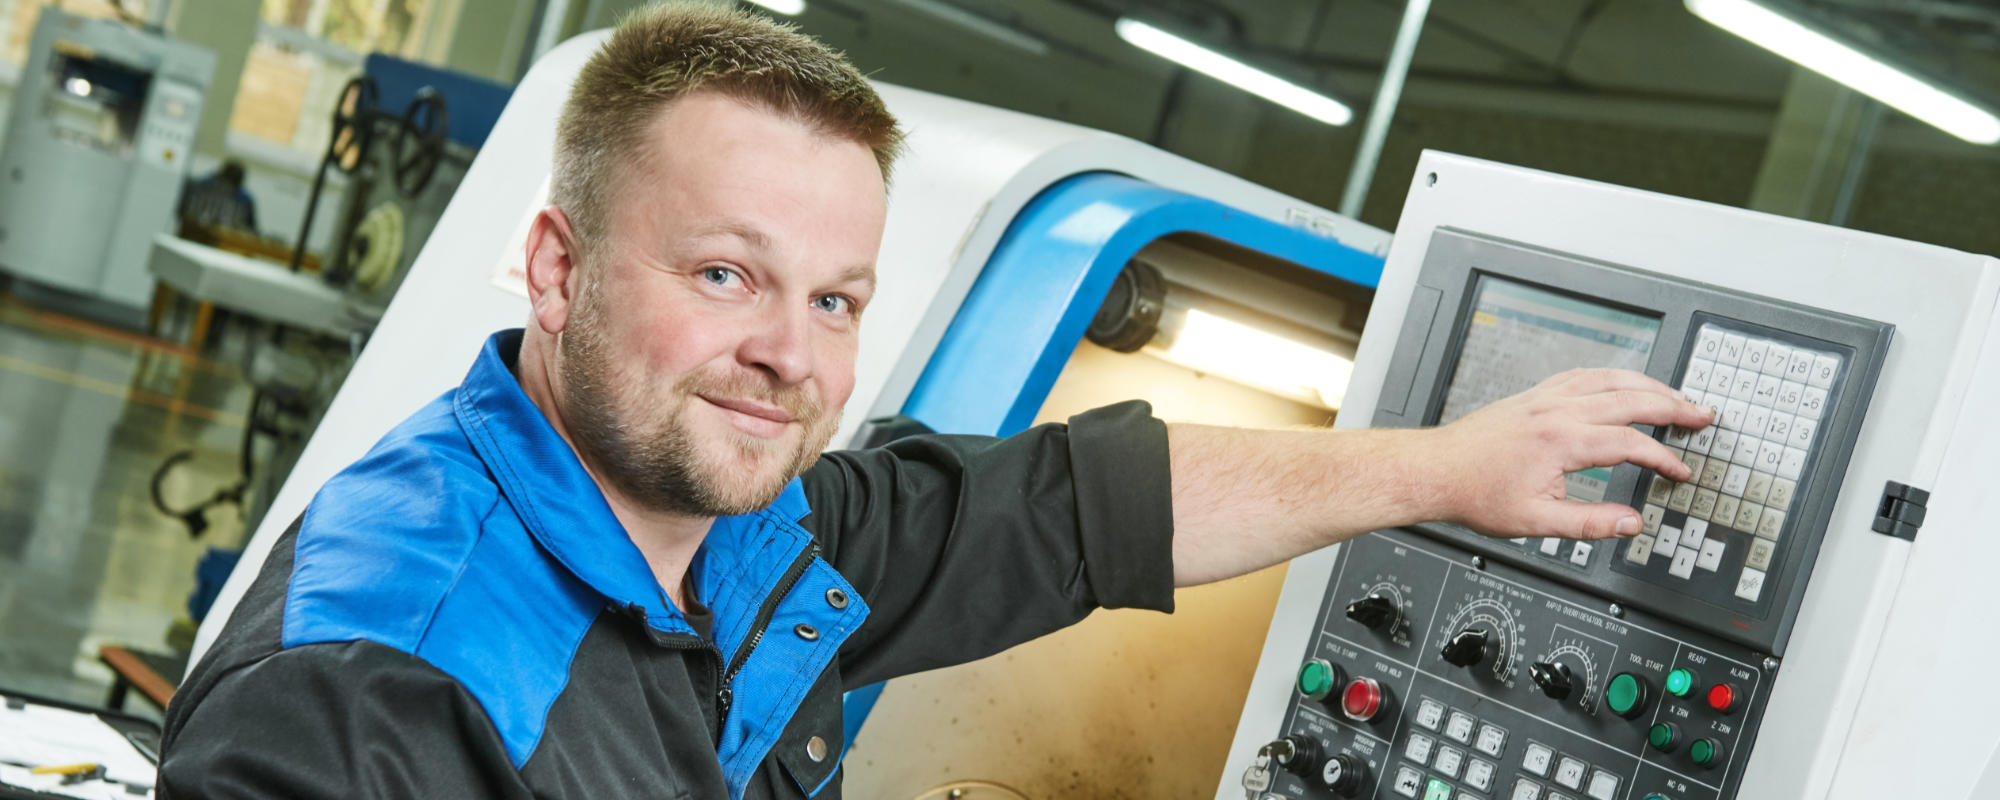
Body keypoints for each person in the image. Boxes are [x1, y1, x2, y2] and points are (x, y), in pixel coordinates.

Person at [155, 5, 1713, 799]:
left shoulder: (752, 533)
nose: (790, 354)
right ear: (555, 268)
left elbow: (1082, 513)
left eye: (834, 299)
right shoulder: (381, 684)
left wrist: (1442, 468)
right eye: (722, 276)